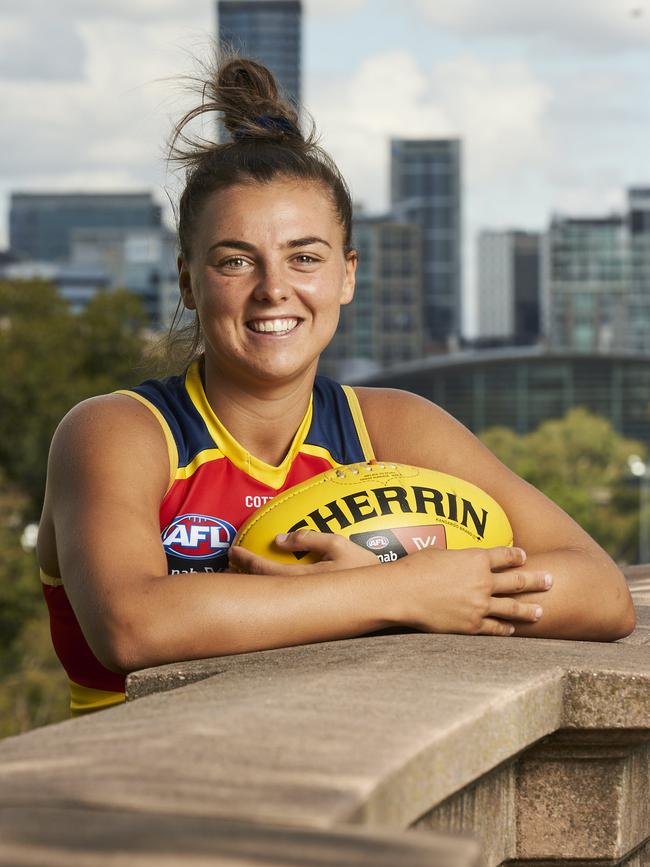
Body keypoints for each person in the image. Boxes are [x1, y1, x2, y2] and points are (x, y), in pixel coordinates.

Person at [37, 57, 635, 717]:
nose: (273, 289)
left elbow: (600, 591)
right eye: (236, 261)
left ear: (347, 276)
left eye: (305, 257)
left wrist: (409, 591)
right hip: (147, 797)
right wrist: (399, 593)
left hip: (326, 788)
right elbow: (132, 624)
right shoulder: (118, 432)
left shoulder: (390, 427)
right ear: (187, 280)